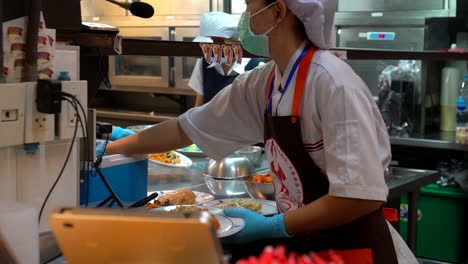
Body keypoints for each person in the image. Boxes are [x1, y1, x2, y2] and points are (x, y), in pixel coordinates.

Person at [103, 0, 417, 263]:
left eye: (249, 6)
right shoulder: (267, 82)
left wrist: (276, 226)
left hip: (354, 250)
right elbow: (186, 130)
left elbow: (359, 197)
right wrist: (108, 147)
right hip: (308, 247)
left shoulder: (333, 83)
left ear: (278, 12)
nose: (243, 18)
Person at [190, 12, 264, 106]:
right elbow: (198, 106)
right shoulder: (204, 62)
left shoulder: (255, 67)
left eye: (216, 45)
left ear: (235, 39)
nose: (211, 51)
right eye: (208, 46)